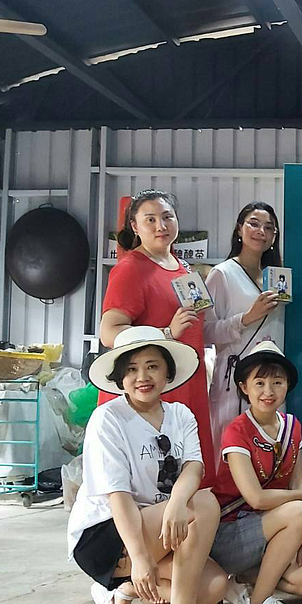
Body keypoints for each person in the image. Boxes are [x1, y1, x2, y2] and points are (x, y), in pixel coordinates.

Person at [68, 326, 238, 604]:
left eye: (152, 366)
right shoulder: (108, 419)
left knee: (214, 589)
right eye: (131, 369)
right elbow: (118, 497)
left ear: (167, 372)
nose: (142, 377)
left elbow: (193, 467)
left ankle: (121, 593)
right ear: (120, 377)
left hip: (161, 523)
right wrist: (141, 559)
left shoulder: (180, 414)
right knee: (204, 503)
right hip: (106, 534)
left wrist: (177, 502)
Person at [202, 341, 302, 604]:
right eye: (259, 383)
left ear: (287, 386)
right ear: (244, 387)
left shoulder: (292, 426)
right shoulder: (236, 430)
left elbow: (298, 482)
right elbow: (256, 498)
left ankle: (242, 584)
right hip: (227, 533)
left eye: (277, 382)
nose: (268, 391)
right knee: (298, 510)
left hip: (270, 530)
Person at [98, 190, 216, 478]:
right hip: (149, 389)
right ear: (135, 226)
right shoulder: (130, 270)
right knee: (153, 480)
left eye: (167, 217)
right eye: (150, 219)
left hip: (185, 382)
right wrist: (166, 333)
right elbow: (109, 332)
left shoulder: (183, 268)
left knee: (190, 473)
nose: (160, 226)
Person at [204, 201, 284, 471]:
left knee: (270, 447)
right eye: (254, 224)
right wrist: (246, 318)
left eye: (269, 228)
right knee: (231, 451)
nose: (261, 231)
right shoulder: (222, 274)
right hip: (234, 380)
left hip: (271, 378)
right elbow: (205, 331)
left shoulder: (276, 278)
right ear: (239, 229)